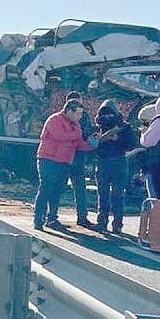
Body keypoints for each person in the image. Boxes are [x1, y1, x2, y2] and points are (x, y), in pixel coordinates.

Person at [33, 99, 93, 231]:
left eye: (81, 114)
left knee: (57, 190)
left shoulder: (75, 125)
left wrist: (92, 145)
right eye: (78, 114)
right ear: (69, 111)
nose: (80, 117)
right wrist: (77, 134)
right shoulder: (54, 120)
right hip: (48, 159)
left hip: (64, 161)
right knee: (46, 188)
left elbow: (78, 143)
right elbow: (60, 136)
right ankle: (38, 219)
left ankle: (52, 218)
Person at [93, 100, 136, 234]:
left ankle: (117, 224)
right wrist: (101, 139)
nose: (107, 117)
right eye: (104, 114)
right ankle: (102, 222)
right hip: (103, 162)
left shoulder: (124, 126)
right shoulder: (98, 127)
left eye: (110, 114)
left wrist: (117, 139)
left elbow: (132, 144)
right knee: (103, 195)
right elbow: (93, 146)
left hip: (119, 161)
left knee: (117, 195)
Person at [61, 91, 95, 228]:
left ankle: (82, 216)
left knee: (78, 187)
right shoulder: (62, 118)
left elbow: (85, 133)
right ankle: (51, 216)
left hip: (76, 154)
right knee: (63, 187)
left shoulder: (82, 116)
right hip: (68, 155)